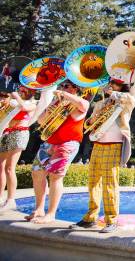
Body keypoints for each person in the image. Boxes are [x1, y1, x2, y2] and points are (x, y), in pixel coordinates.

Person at [70, 79, 135, 233]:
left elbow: (131, 100)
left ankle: (111, 220)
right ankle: (90, 217)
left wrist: (113, 94)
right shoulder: (101, 103)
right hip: (98, 144)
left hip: (114, 145)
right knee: (93, 181)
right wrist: (94, 117)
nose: (111, 86)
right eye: (111, 83)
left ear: (122, 87)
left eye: (115, 84)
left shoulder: (126, 100)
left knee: (109, 183)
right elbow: (90, 123)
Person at [27, 80, 89, 223]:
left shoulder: (80, 102)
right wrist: (51, 105)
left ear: (75, 89)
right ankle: (39, 209)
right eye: (61, 86)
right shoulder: (56, 102)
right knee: (37, 172)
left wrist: (64, 95)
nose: (61, 88)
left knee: (55, 176)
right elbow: (41, 121)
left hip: (68, 144)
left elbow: (84, 106)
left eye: (66, 86)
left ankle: (51, 214)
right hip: (49, 142)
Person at [0, 86, 36, 211]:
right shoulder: (14, 102)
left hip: (20, 132)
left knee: (10, 167)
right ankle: (0, 197)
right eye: (21, 89)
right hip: (7, 132)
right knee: (1, 166)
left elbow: (24, 108)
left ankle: (11, 200)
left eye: (25, 89)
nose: (22, 91)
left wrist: (15, 96)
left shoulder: (32, 103)